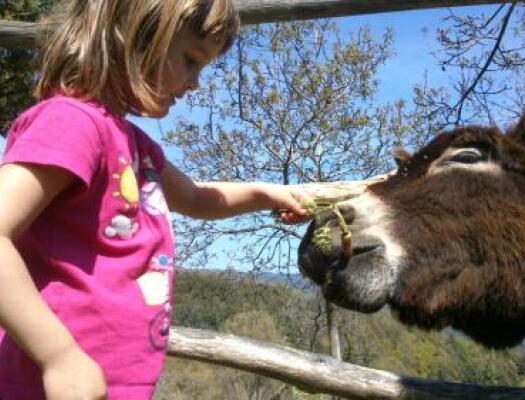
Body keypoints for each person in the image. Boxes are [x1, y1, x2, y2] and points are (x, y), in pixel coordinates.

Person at [0, 0, 309, 399]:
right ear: (132, 36)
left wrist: (266, 194)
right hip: (47, 383)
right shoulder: (72, 122)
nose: (195, 82)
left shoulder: (135, 146)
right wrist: (58, 356)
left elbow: (197, 197)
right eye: (189, 59)